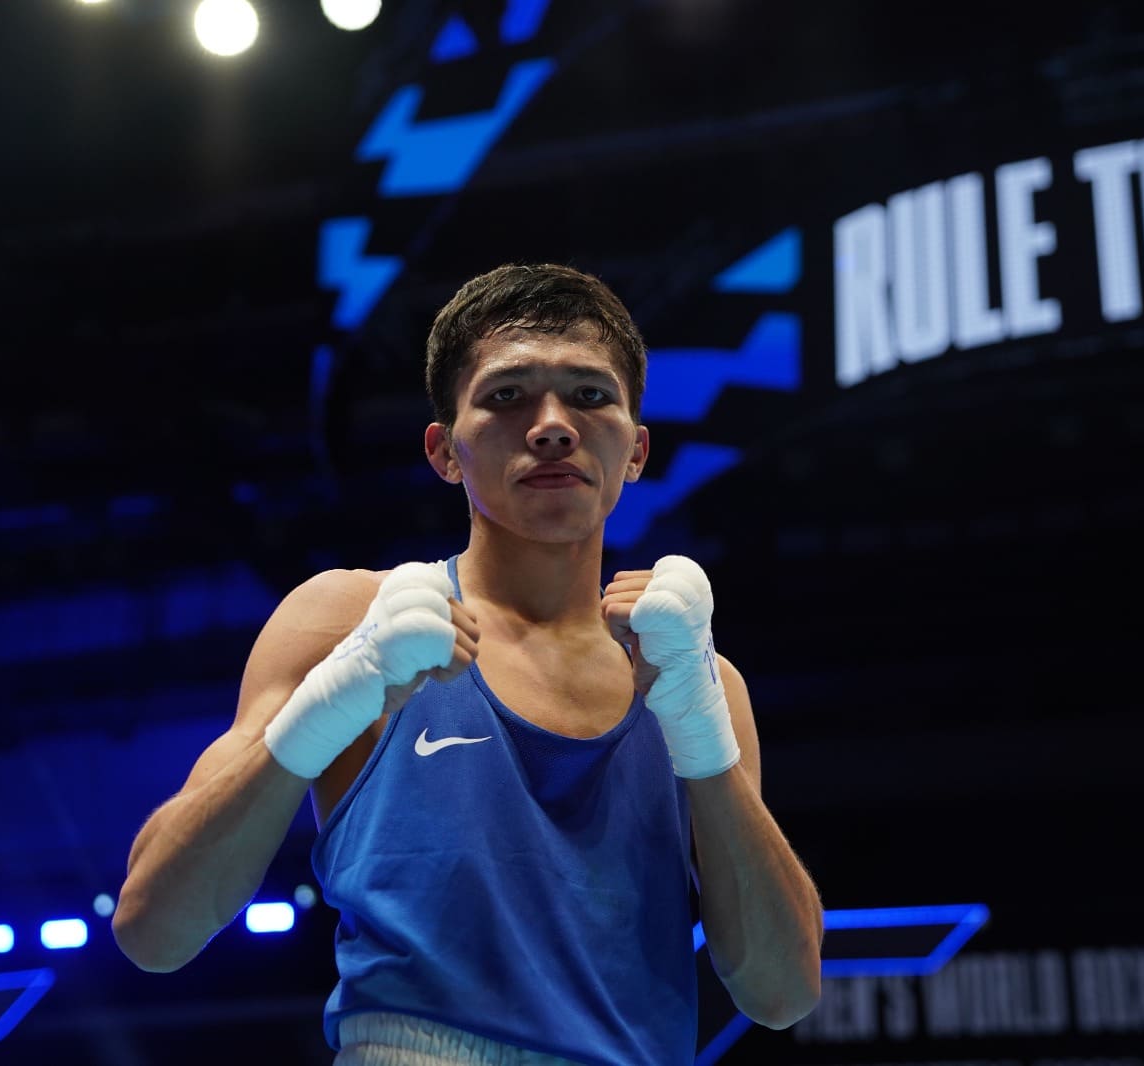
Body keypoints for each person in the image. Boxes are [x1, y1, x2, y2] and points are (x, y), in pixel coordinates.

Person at [113, 263, 824, 1064]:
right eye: (507, 395)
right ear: (445, 450)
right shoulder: (346, 620)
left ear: (636, 451)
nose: (552, 426)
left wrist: (699, 727)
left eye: (590, 395)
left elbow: (782, 993)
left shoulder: (696, 678)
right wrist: (329, 701)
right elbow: (153, 928)